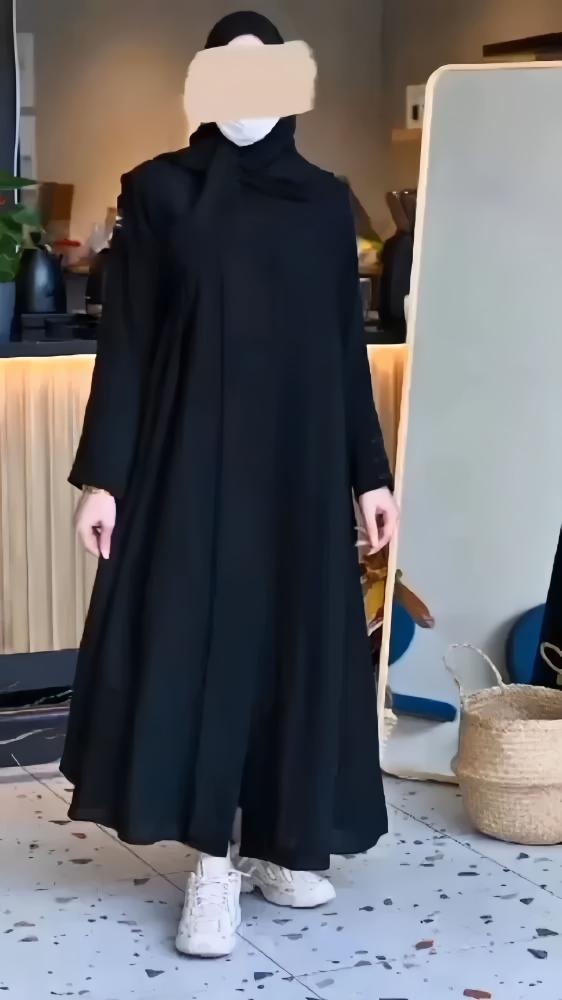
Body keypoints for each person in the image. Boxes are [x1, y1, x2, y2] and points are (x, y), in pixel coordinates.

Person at [61, 10, 399, 959]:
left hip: (297, 473)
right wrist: (104, 479)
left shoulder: (325, 202)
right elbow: (127, 345)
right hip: (192, 467)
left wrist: (368, 474)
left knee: (292, 651)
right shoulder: (160, 193)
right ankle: (211, 866)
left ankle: (281, 843)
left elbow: (343, 351)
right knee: (205, 645)